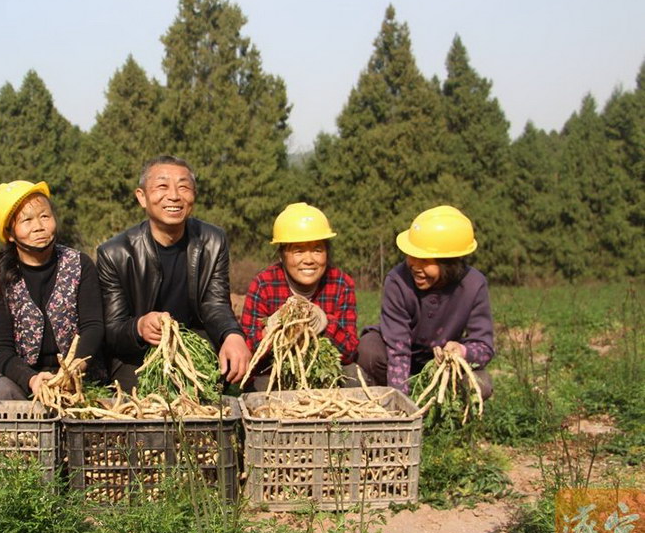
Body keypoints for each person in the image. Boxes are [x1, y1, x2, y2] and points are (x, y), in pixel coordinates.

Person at [96, 155, 251, 390]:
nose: (174, 196)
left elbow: (215, 303)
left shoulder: (213, 241)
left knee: (209, 397)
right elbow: (113, 328)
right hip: (137, 355)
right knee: (141, 405)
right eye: (162, 186)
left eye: (183, 187)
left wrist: (232, 334)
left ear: (193, 196)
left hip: (192, 345)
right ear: (142, 197)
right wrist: (139, 326)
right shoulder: (114, 253)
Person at [0, 180, 105, 400]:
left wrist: (72, 370)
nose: (38, 226)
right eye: (26, 220)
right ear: (9, 233)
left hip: (77, 373)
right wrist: (31, 379)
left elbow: (93, 327)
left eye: (45, 216)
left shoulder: (80, 265)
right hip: (22, 376)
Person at [357, 205, 494, 398]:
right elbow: (398, 348)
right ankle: (386, 397)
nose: (414, 265)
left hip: (443, 365)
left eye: (425, 260)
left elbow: (484, 347)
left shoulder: (473, 285)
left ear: (450, 263)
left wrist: (461, 351)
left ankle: (447, 412)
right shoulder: (398, 281)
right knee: (368, 350)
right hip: (396, 355)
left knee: (481, 384)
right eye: (412, 256)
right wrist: (401, 403)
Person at [240, 203, 359, 389]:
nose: (309, 259)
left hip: (326, 374)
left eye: (317, 250)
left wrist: (325, 324)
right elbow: (248, 352)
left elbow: (350, 351)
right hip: (275, 372)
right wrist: (270, 330)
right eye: (298, 251)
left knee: (354, 377)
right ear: (282, 255)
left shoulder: (341, 284)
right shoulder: (264, 285)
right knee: (262, 387)